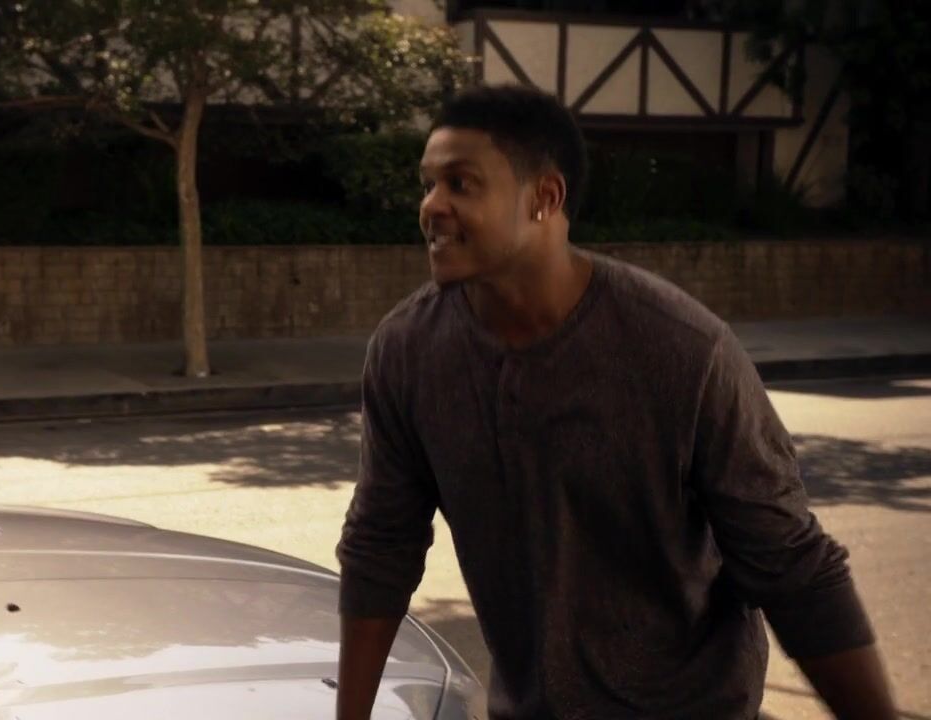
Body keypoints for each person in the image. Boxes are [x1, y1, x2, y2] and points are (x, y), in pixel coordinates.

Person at [334, 84, 897, 720]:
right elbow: (381, 548)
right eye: (428, 184)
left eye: (460, 184)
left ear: (545, 198)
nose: (431, 206)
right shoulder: (408, 351)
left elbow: (793, 567)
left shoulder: (682, 348)